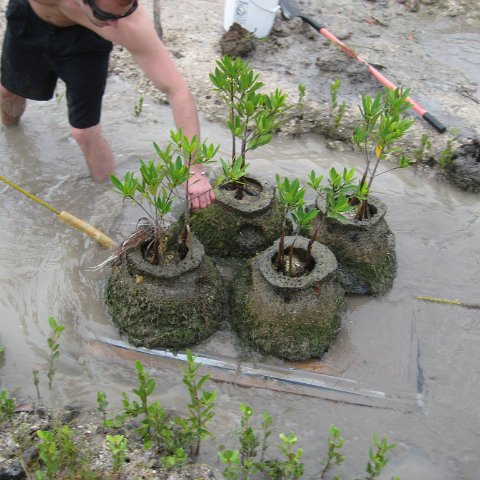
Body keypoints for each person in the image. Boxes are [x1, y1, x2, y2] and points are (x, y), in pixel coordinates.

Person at [0, 0, 215, 210]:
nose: (114, 23)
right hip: (30, 20)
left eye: (124, 10)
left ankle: (109, 201)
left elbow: (177, 90)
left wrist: (194, 169)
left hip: (86, 43)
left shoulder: (125, 23)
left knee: (84, 132)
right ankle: (11, 129)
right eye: (105, 16)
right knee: (7, 93)